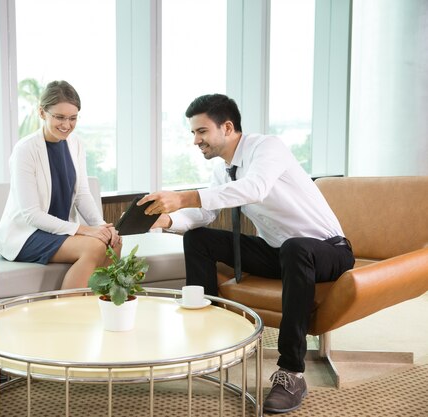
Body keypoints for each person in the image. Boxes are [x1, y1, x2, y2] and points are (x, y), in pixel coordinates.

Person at [139, 94, 355, 414]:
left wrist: (184, 197)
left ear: (227, 127)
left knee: (296, 247)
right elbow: (204, 215)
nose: (196, 141)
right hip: (279, 252)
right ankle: (209, 345)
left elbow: (255, 188)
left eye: (201, 132)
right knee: (199, 239)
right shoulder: (224, 169)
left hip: (327, 250)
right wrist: (167, 220)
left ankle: (292, 373)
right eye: (193, 134)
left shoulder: (268, 147)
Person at [0, 80, 121, 289]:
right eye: (59, 117)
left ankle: (94, 309)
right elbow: (32, 215)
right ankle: (66, 314)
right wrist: (84, 230)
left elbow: (82, 194)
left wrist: (101, 226)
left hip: (59, 231)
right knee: (94, 248)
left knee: (114, 243)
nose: (66, 125)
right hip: (28, 234)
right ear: (42, 113)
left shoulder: (76, 143)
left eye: (72, 118)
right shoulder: (25, 150)